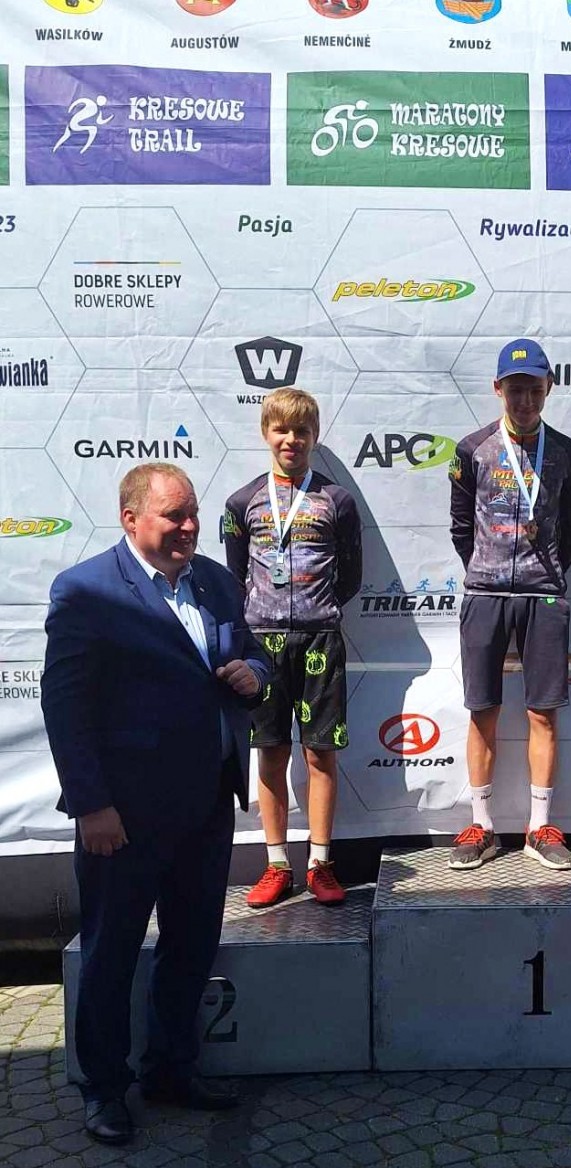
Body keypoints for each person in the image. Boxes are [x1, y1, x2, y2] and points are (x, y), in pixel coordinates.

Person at [41, 464, 269, 1146]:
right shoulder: (86, 591)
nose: (190, 526)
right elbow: (66, 708)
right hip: (124, 818)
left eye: (193, 513)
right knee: (110, 953)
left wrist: (254, 674)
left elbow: (253, 654)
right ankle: (104, 1089)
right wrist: (91, 806)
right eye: (174, 516)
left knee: (191, 944)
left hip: (206, 804)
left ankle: (171, 1069)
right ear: (131, 519)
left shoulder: (217, 582)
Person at [448, 338, 571, 871]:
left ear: (549, 388)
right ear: (498, 389)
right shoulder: (472, 449)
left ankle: (539, 827)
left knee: (542, 713)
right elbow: (461, 525)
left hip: (543, 594)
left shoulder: (568, 454)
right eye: (515, 390)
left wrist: (544, 571)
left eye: (534, 390)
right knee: (482, 710)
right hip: (485, 594)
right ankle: (481, 824)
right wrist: (485, 567)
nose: (525, 401)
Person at [224, 387, 362, 908]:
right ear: (266, 433)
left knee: (320, 753)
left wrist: (315, 608)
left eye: (301, 431)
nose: (291, 439)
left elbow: (351, 576)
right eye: (281, 429)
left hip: (320, 638)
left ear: (314, 436)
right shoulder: (242, 502)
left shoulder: (337, 500)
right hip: (262, 644)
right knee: (270, 753)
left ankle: (321, 863)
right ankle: (277, 864)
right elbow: (235, 575)